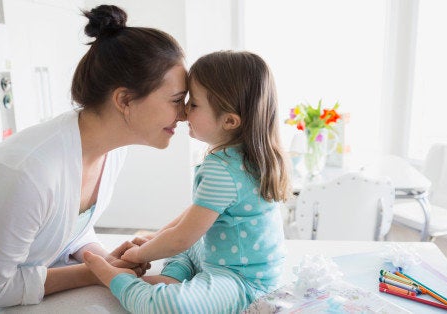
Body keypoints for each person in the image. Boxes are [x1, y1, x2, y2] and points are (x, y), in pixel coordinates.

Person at [0, 5, 187, 307]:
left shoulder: (110, 150)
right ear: (125, 100)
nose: (183, 114)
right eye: (177, 100)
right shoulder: (26, 172)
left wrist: (103, 259)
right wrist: (92, 272)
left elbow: (68, 225)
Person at [83, 51, 291, 313]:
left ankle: (112, 278)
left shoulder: (223, 168)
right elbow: (191, 218)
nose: (183, 112)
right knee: (179, 243)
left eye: (193, 104)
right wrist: (157, 239)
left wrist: (138, 255)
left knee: (172, 304)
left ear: (229, 120)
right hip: (219, 256)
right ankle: (173, 276)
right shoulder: (244, 157)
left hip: (243, 280)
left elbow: (182, 237)